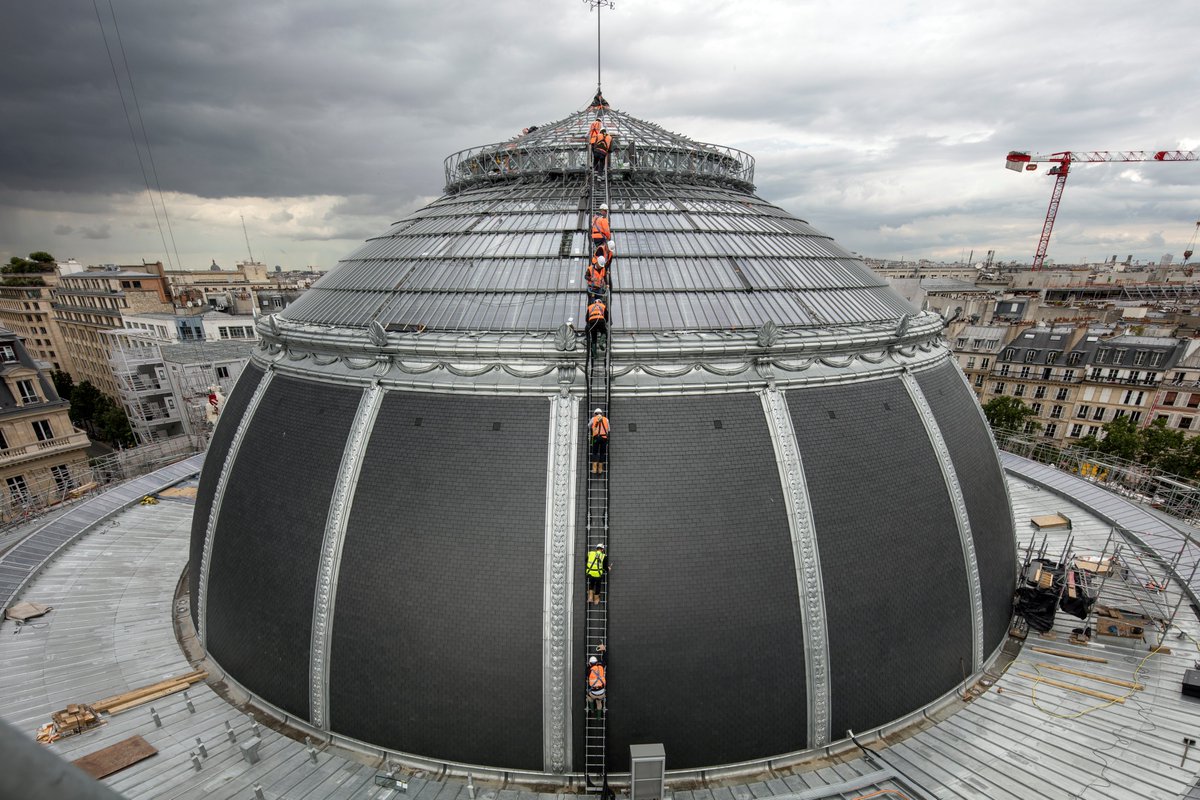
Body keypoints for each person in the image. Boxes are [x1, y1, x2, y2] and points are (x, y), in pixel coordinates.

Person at [586, 643, 607, 717]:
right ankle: (598, 717)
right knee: (599, 703)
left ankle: (592, 709)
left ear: (590, 663)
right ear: (596, 662)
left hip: (593, 693)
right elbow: (604, 659)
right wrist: (604, 650)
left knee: (589, 697)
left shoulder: (589, 670)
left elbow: (588, 674)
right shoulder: (601, 666)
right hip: (601, 693)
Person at [589, 407, 610, 474]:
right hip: (604, 438)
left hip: (596, 438)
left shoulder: (593, 419)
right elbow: (608, 430)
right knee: (602, 453)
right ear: (601, 413)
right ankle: (600, 469)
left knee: (595, 452)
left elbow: (589, 426)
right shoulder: (606, 419)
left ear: (595, 414)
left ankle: (594, 469)